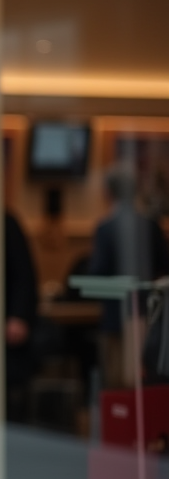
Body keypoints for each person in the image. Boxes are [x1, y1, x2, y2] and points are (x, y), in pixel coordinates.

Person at [88, 165, 169, 389]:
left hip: (116, 317)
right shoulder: (150, 226)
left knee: (118, 385)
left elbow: (97, 273)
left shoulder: (106, 228)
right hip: (148, 316)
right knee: (144, 381)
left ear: (108, 193)